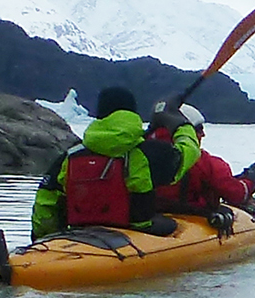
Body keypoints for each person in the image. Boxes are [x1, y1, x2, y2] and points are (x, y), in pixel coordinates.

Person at [32, 86, 176, 239]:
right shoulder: (148, 151)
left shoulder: (71, 155)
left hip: (78, 232)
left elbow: (45, 201)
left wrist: (44, 238)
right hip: (135, 232)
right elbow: (187, 154)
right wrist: (181, 125)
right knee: (173, 226)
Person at [147, 103, 255, 231]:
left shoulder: (139, 153)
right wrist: (252, 178)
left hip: (148, 217)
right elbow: (236, 194)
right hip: (195, 217)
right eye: (199, 129)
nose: (203, 134)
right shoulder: (206, 163)